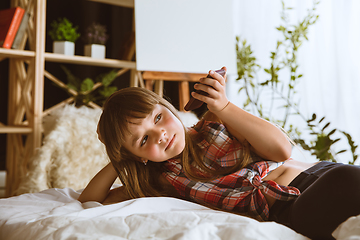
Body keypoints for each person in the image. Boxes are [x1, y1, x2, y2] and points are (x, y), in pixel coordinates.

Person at [78, 67, 360, 239]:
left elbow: (282, 149)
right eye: (143, 140)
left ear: (168, 107)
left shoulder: (215, 123)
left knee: (344, 180)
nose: (160, 134)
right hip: (289, 209)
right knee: (317, 216)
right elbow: (91, 199)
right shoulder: (160, 181)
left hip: (313, 176)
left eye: (158, 118)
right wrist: (120, 159)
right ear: (138, 156)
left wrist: (223, 107)